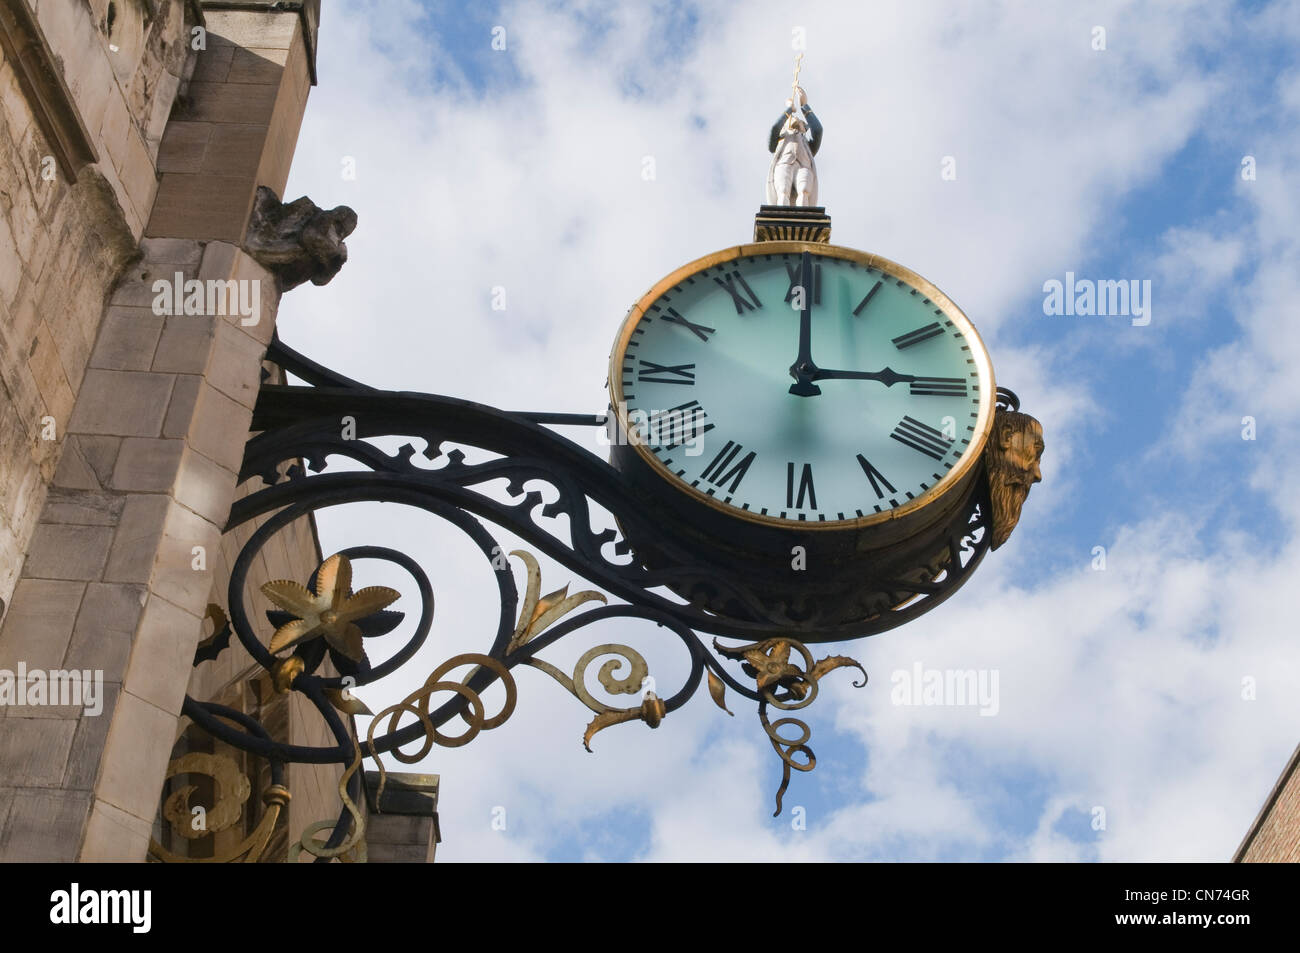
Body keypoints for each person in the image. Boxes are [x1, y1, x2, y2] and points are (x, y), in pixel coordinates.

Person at [766, 86, 823, 207]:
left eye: (801, 121)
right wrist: (789, 110)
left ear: (804, 127)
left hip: (804, 168)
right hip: (784, 165)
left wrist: (804, 106)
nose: (796, 120)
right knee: (783, 192)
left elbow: (818, 130)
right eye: (791, 119)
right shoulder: (780, 140)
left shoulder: (807, 145)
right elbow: (774, 129)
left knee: (804, 193)